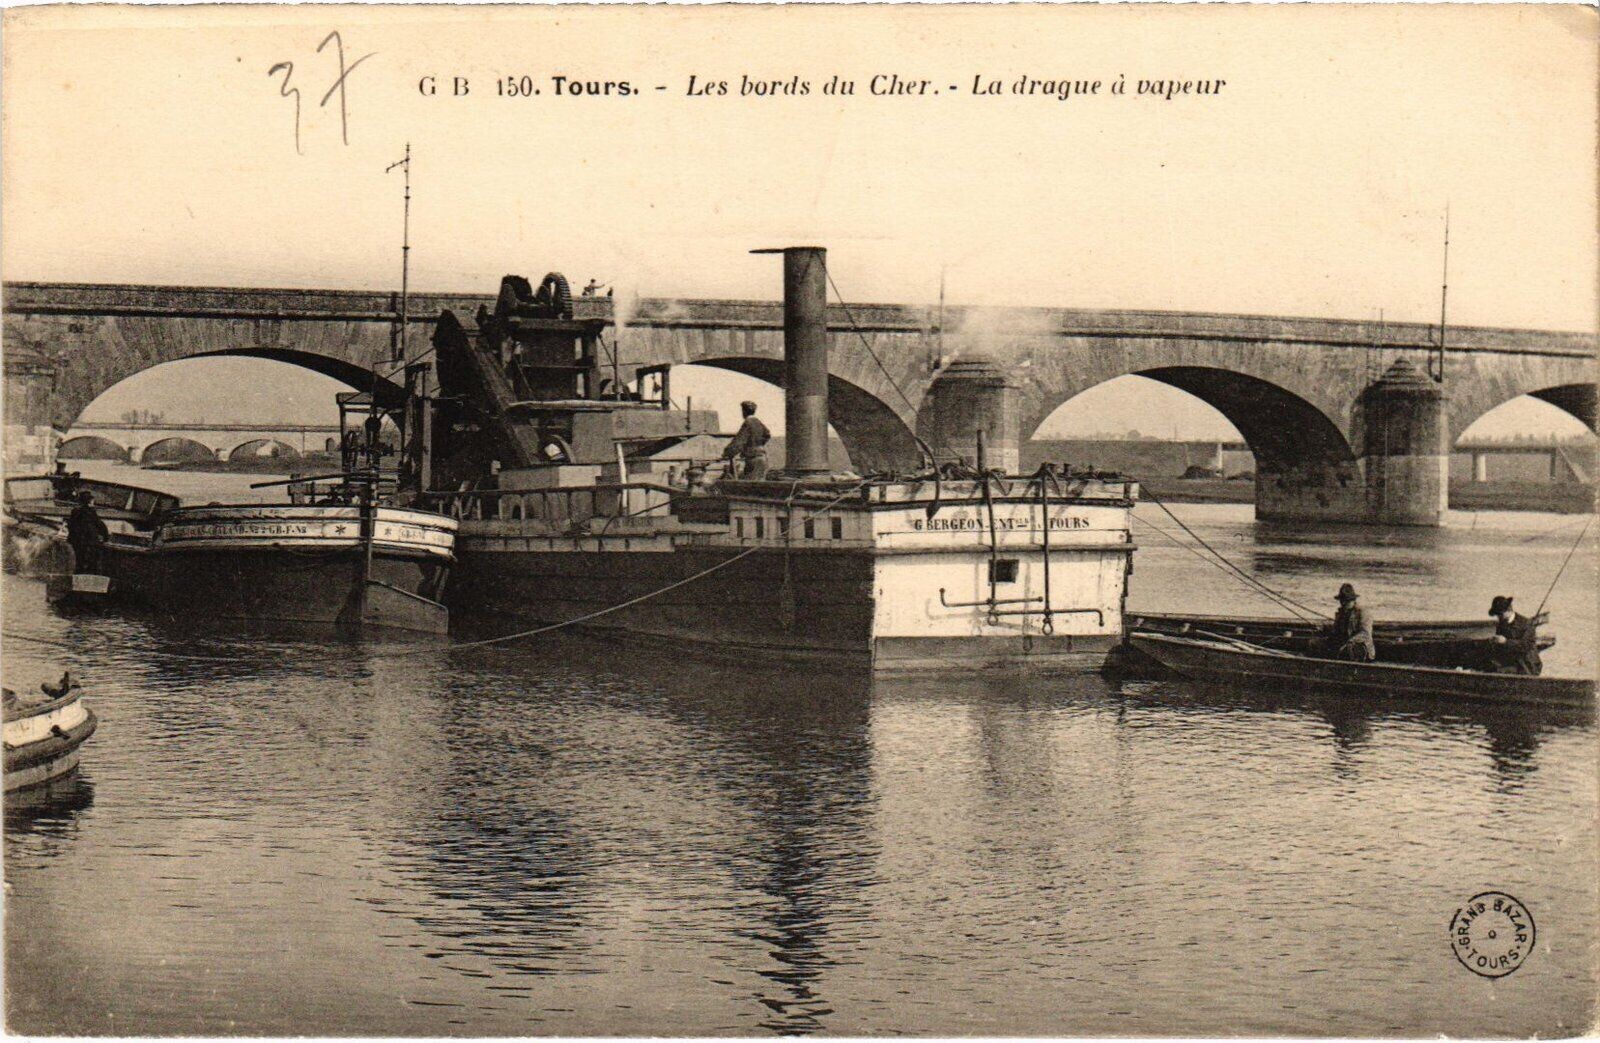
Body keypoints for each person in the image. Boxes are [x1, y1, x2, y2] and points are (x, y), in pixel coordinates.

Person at [1486, 595, 1542, 676]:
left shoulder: (1526, 624)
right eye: (1497, 615)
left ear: (1509, 610)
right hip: (1511, 664)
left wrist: (1505, 642)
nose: (1498, 617)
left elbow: (1526, 646)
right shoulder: (1501, 624)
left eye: (1500, 614)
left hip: (1528, 665)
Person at [720, 401, 770, 480]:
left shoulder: (748, 423)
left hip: (753, 460)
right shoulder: (758, 422)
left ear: (744, 411)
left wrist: (727, 453)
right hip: (763, 459)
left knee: (749, 484)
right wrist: (758, 444)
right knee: (759, 483)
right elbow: (767, 435)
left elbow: (738, 442)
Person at [65, 489, 109, 575]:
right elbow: (100, 524)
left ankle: (78, 575)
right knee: (91, 561)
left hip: (77, 540)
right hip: (89, 540)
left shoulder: (75, 511)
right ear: (89, 501)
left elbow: (71, 524)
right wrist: (106, 537)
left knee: (79, 560)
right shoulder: (91, 511)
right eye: (92, 500)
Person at [1328, 582, 1376, 661]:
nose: (1343, 603)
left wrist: (1350, 641)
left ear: (1353, 600)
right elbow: (1336, 631)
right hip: (1344, 646)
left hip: (1362, 649)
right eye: (1341, 601)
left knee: (1349, 650)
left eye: (1346, 601)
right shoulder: (1341, 613)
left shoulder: (1363, 613)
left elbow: (1365, 633)